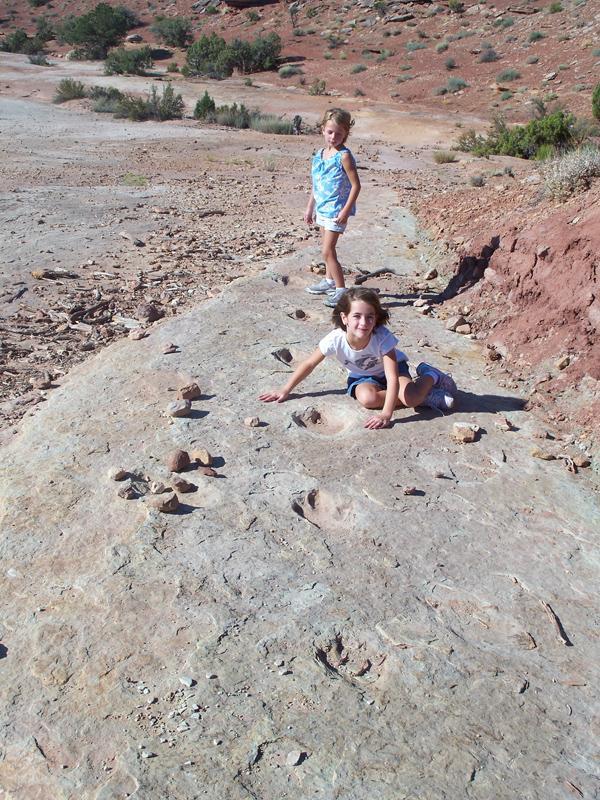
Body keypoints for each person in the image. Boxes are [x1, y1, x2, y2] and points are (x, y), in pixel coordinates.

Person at [259, 287, 457, 429]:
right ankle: (422, 396)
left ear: (376, 319)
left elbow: (392, 377)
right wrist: (285, 390)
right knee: (367, 399)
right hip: (362, 377)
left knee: (411, 397)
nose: (364, 322)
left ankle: (431, 376)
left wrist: (386, 414)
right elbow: (310, 363)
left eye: (370, 317)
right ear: (344, 318)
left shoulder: (382, 338)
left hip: (394, 370)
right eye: (357, 316)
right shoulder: (334, 339)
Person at [304, 108, 361, 308]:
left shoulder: (344, 156)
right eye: (330, 132)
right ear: (322, 130)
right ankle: (328, 282)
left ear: (346, 133)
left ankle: (341, 289)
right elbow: (316, 184)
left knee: (327, 251)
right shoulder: (320, 155)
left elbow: (356, 185)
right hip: (323, 208)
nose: (334, 137)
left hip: (336, 210)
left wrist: (345, 211)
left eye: (339, 133)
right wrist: (310, 208)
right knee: (328, 249)